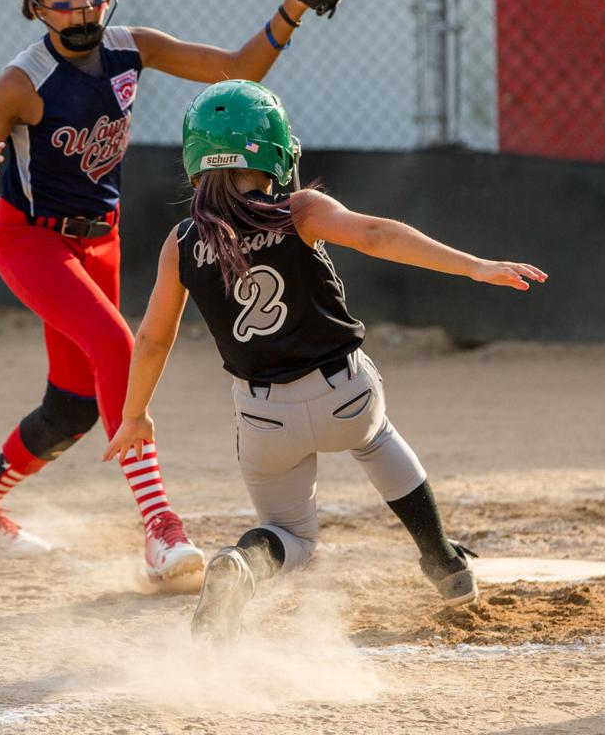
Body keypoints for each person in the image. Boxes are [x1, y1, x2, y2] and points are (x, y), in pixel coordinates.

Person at [102, 79, 547, 638]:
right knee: (375, 437)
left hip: (263, 417)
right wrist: (474, 265)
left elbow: (152, 339)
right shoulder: (299, 210)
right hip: (345, 394)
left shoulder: (181, 240)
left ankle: (241, 565)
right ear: (275, 151)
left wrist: (135, 413)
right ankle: (442, 560)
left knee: (291, 534)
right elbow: (377, 235)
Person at [0, 0, 320, 584]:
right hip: (31, 240)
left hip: (100, 239)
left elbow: (240, 68)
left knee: (73, 408)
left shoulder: (130, 48)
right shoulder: (21, 82)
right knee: (119, 346)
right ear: (36, 7)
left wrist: (297, 1)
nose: (83, 6)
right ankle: (160, 529)